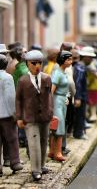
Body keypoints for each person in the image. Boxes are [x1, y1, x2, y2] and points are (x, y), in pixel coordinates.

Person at [15, 50, 53, 181]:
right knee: (33, 143)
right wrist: (19, 117)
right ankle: (35, 170)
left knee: (43, 141)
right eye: (33, 63)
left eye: (39, 63)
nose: (37, 66)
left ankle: (42, 165)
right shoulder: (23, 80)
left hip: (45, 117)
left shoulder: (47, 78)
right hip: (30, 118)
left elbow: (49, 96)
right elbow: (18, 99)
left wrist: (51, 111)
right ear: (27, 64)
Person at [0, 54, 23, 176]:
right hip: (6, 114)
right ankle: (15, 162)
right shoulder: (7, 77)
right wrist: (15, 113)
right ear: (6, 65)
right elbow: (10, 97)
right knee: (12, 138)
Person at [49, 51, 73, 162]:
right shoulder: (57, 73)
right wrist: (50, 104)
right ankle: (57, 152)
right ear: (63, 60)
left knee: (58, 124)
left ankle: (52, 150)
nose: (70, 61)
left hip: (62, 100)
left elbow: (65, 88)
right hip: (57, 101)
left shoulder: (63, 72)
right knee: (58, 125)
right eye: (68, 59)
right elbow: (51, 91)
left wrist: (66, 97)